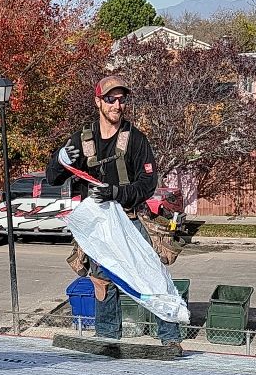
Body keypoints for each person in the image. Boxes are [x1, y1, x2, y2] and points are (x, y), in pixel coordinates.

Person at [45, 75, 184, 355]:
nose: (117, 105)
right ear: (98, 101)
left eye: (121, 99)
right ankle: (108, 337)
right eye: (110, 99)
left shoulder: (135, 140)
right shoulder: (82, 140)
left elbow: (147, 185)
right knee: (102, 280)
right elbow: (52, 178)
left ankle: (170, 337)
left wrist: (116, 193)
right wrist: (60, 159)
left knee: (151, 275)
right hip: (99, 227)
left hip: (131, 219)